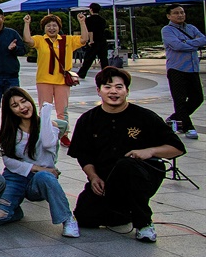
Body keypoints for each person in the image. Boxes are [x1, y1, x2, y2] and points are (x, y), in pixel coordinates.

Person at [68, 67, 185, 242]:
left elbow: (178, 148)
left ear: (127, 91)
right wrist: (92, 177)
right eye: (107, 87)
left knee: (126, 164)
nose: (113, 91)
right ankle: (124, 210)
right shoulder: (88, 119)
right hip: (107, 179)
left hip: (141, 176)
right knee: (85, 217)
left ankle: (144, 223)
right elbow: (83, 154)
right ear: (99, 91)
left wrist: (149, 151)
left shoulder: (145, 117)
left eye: (119, 87)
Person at [0, 88, 78, 237]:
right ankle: (15, 209)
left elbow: (48, 143)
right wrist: (36, 167)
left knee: (45, 177)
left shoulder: (50, 126)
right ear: (10, 110)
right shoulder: (10, 131)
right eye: (15, 105)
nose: (22, 107)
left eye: (24, 101)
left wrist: (45, 115)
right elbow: (8, 161)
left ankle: (67, 219)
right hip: (15, 177)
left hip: (40, 179)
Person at [22, 13, 82, 145]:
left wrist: (82, 22)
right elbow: (27, 40)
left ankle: (64, 134)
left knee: (63, 110)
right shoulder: (40, 40)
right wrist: (27, 23)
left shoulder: (68, 40)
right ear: (44, 28)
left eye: (54, 25)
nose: (51, 28)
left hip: (62, 81)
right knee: (45, 109)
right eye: (48, 26)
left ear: (59, 27)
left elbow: (84, 39)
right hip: (44, 80)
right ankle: (44, 132)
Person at [162, 4, 206, 139]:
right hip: (177, 69)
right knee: (179, 99)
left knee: (198, 97)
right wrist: (193, 43)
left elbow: (204, 39)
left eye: (182, 12)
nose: (180, 15)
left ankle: (174, 119)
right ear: (169, 16)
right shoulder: (167, 30)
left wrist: (186, 43)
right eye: (176, 13)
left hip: (192, 68)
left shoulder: (191, 28)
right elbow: (177, 45)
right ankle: (187, 127)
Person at [76, 4, 111, 79]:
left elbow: (90, 31)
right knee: (104, 59)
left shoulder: (89, 20)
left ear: (91, 9)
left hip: (94, 41)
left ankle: (82, 73)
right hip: (102, 41)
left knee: (88, 59)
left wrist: (91, 40)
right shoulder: (102, 20)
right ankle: (107, 74)